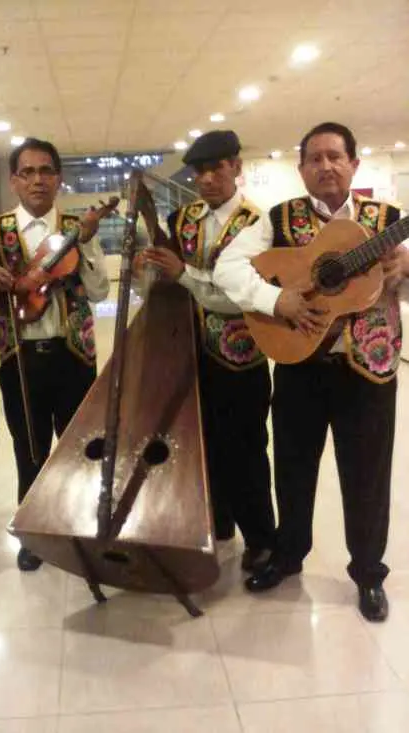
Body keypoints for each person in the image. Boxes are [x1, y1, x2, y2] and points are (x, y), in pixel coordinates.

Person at [214, 121, 409, 621]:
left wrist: (404, 272)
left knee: (367, 478)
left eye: (335, 156)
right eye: (315, 158)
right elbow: (227, 268)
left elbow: (403, 290)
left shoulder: (388, 222)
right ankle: (288, 554)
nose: (326, 166)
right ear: (300, 169)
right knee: (294, 470)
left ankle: (368, 574)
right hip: (300, 366)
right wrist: (277, 300)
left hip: (368, 370)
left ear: (354, 164)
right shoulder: (277, 221)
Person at [135, 130, 276, 571]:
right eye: (199, 171)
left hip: (242, 356)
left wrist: (183, 274)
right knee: (202, 445)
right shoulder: (182, 219)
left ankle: (262, 537)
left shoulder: (259, 224)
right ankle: (218, 521)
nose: (208, 178)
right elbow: (164, 285)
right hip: (187, 354)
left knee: (248, 449)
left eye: (217, 168)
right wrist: (148, 270)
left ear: (236, 166)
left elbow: (243, 297)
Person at [0, 138, 109, 572]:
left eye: (46, 170)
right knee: (28, 447)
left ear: (58, 178)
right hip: (20, 356)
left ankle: (81, 526)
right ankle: (33, 530)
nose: (37, 179)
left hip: (74, 354)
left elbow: (100, 290)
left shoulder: (77, 225)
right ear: (13, 180)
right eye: (27, 172)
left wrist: (85, 244)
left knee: (80, 448)